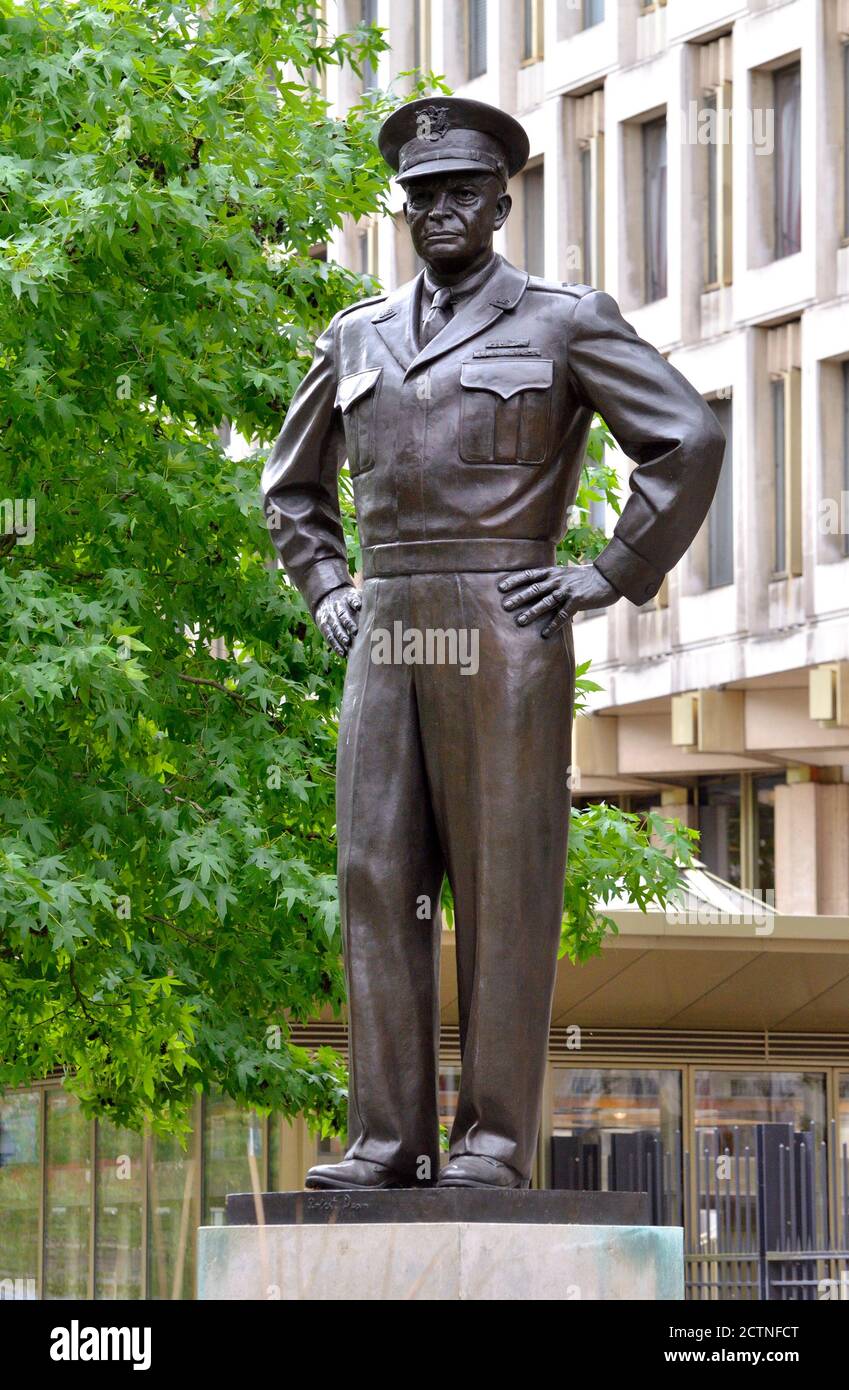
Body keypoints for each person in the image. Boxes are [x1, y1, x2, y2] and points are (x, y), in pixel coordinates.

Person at [261, 97, 724, 1190]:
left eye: (460, 192)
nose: (439, 212)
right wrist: (327, 582)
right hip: (386, 625)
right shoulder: (356, 332)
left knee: (504, 881)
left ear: (502, 200)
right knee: (378, 875)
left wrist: (610, 572)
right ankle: (386, 1138)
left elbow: (688, 435)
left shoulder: (564, 319)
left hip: (503, 619)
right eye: (420, 196)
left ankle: (496, 1140)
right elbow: (292, 487)